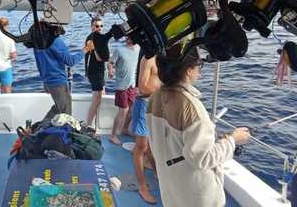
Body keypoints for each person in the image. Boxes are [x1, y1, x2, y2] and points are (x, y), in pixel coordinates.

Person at [147, 43, 251, 207]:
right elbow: (202, 159)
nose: (199, 69)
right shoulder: (191, 106)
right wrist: (232, 140)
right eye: (199, 64)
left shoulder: (155, 97)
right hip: (197, 198)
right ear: (188, 71)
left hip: (171, 192)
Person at [34, 32, 94, 119]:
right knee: (65, 113)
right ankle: (44, 130)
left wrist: (44, 81)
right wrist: (86, 49)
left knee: (58, 108)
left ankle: (41, 128)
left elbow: (39, 63)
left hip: (49, 81)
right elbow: (70, 61)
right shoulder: (56, 41)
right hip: (58, 80)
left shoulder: (37, 41)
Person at [131, 52, 160, 204]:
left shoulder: (166, 57)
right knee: (141, 147)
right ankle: (143, 187)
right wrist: (163, 91)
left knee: (152, 145)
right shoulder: (148, 58)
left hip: (157, 106)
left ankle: (156, 171)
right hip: (144, 105)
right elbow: (142, 87)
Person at [107, 36, 140, 146]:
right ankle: (113, 135)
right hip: (121, 85)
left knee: (132, 110)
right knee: (123, 112)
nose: (128, 38)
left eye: (131, 35)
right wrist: (110, 71)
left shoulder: (138, 49)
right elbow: (110, 63)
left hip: (132, 85)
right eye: (127, 35)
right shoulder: (119, 49)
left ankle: (125, 129)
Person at [85, 17, 106, 128]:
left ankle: (98, 126)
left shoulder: (93, 37)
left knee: (102, 96)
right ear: (92, 27)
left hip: (98, 72)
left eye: (101, 26)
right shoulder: (94, 39)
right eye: (96, 26)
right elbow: (99, 57)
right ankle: (89, 126)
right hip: (95, 72)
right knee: (97, 100)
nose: (99, 28)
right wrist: (112, 56)